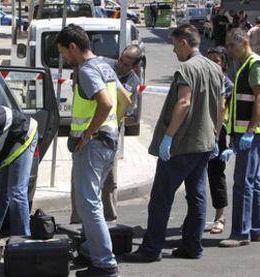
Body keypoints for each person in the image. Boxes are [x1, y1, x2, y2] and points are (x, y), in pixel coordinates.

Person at [124, 24, 224, 262]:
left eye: (173, 45)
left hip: (182, 145)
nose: (173, 51)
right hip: (205, 144)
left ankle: (151, 249)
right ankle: (192, 246)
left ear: (183, 43)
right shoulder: (215, 68)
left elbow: (184, 103)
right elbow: (221, 106)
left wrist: (168, 137)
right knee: (197, 196)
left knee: (161, 197)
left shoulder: (187, 69)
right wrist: (216, 134)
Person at [55, 24, 131, 277]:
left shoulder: (87, 70)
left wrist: (89, 133)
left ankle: (104, 263)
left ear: (73, 47)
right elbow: (125, 100)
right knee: (93, 199)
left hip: (93, 144)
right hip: (108, 142)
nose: (64, 57)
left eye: (64, 52)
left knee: (89, 204)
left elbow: (107, 103)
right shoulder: (104, 66)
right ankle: (91, 248)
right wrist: (112, 127)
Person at [219, 28, 260, 248]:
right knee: (253, 181)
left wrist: (250, 131)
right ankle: (255, 228)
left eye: (231, 45)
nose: (228, 49)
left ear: (243, 42)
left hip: (254, 132)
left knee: (243, 181)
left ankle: (240, 233)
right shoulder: (246, 65)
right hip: (251, 132)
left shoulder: (254, 64)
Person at [70, 45, 142, 224]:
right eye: (121, 60)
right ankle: (79, 220)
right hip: (95, 131)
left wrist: (113, 122)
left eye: (127, 64)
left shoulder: (133, 80)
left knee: (108, 181)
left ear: (135, 66)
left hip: (106, 133)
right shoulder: (106, 66)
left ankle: (109, 219)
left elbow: (125, 101)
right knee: (81, 181)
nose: (121, 66)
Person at [0, 104, 38, 240]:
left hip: (24, 135)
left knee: (17, 192)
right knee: (1, 190)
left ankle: (23, 240)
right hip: (9, 141)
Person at [206, 46, 234, 234]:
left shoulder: (228, 85)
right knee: (195, 177)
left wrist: (229, 143)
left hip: (219, 134)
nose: (213, 64)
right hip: (200, 133)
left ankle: (219, 216)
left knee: (216, 175)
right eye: (210, 60)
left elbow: (229, 113)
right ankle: (196, 216)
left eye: (216, 60)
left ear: (223, 63)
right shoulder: (201, 80)